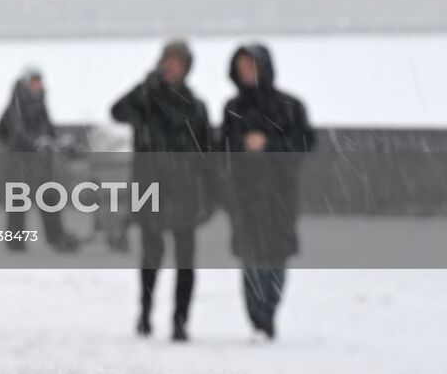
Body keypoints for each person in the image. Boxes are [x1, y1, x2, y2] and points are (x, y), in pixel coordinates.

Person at [111, 39, 212, 342]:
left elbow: (207, 151)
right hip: (150, 187)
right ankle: (144, 313)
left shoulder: (195, 106)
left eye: (177, 61)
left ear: (186, 67)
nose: (170, 66)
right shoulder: (146, 97)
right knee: (150, 256)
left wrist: (207, 193)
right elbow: (117, 111)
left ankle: (181, 321)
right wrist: (146, 85)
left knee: (185, 260)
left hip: (185, 190)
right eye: (166, 60)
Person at [220, 42, 314, 341]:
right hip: (244, 193)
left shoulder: (289, 106)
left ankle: (269, 314)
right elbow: (220, 147)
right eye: (242, 67)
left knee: (276, 256)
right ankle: (257, 320)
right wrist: (241, 147)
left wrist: (269, 145)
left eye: (252, 66)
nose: (247, 72)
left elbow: (303, 144)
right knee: (250, 258)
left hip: (279, 193)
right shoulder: (233, 108)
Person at [0, 67, 76, 251]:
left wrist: (55, 140)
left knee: (48, 195)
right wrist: (36, 142)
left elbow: (48, 127)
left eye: (38, 82)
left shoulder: (39, 101)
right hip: (20, 158)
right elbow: (17, 130)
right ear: (26, 83)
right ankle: (15, 240)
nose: (37, 86)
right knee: (18, 197)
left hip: (40, 158)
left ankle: (55, 237)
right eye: (34, 82)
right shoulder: (17, 102)